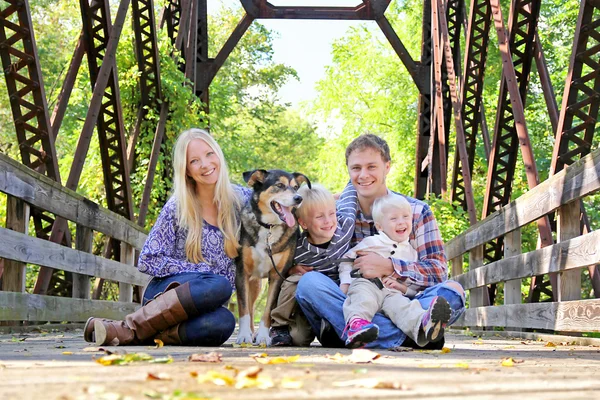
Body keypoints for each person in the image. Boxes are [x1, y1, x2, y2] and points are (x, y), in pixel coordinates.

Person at [296, 133, 466, 349]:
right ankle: (413, 334)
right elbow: (317, 256)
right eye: (356, 168)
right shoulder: (333, 215)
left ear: (387, 166)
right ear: (348, 170)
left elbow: (438, 271)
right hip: (355, 302)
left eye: (371, 167)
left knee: (453, 292)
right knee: (309, 284)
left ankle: (361, 334)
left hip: (401, 300)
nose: (363, 175)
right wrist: (294, 267)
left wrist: (390, 266)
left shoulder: (415, 211)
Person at [83, 128, 251, 346]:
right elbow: (148, 259)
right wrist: (202, 273)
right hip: (163, 295)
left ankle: (140, 334)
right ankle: (129, 327)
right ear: (187, 171)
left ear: (218, 154)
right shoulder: (178, 206)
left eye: (210, 154)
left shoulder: (243, 200)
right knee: (219, 284)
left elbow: (279, 213)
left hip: (204, 307)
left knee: (224, 322)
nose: (206, 164)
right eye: (194, 161)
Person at [339, 193, 451, 348]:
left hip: (392, 292)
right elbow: (346, 260)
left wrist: (404, 289)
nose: (401, 222)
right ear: (379, 226)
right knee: (362, 298)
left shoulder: (412, 253)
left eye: (406, 217)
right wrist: (345, 282)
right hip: (367, 284)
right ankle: (357, 326)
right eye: (394, 219)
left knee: (404, 307)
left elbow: (412, 284)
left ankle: (424, 326)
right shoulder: (372, 242)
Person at [269, 184, 357, 346]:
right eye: (319, 217)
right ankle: (279, 326)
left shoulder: (346, 224)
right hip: (311, 300)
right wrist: (290, 269)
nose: (328, 221)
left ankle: (333, 327)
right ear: (303, 223)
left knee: (362, 283)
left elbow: (351, 193)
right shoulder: (298, 249)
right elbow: (276, 267)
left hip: (342, 293)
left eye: (332, 213)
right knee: (298, 338)